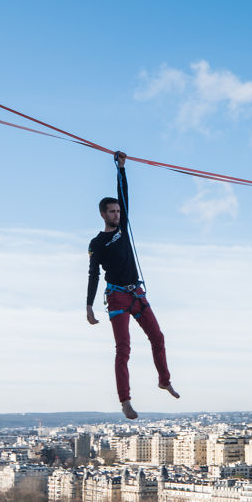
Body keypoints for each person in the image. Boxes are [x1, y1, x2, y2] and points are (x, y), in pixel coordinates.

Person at [87, 151, 180, 419]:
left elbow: (125, 195)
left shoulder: (122, 229)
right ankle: (125, 400)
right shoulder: (98, 243)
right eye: (112, 211)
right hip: (117, 297)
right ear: (103, 214)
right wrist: (89, 307)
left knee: (158, 337)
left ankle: (164, 380)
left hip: (136, 293)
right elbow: (93, 275)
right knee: (124, 349)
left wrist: (122, 169)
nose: (117, 214)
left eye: (118, 211)